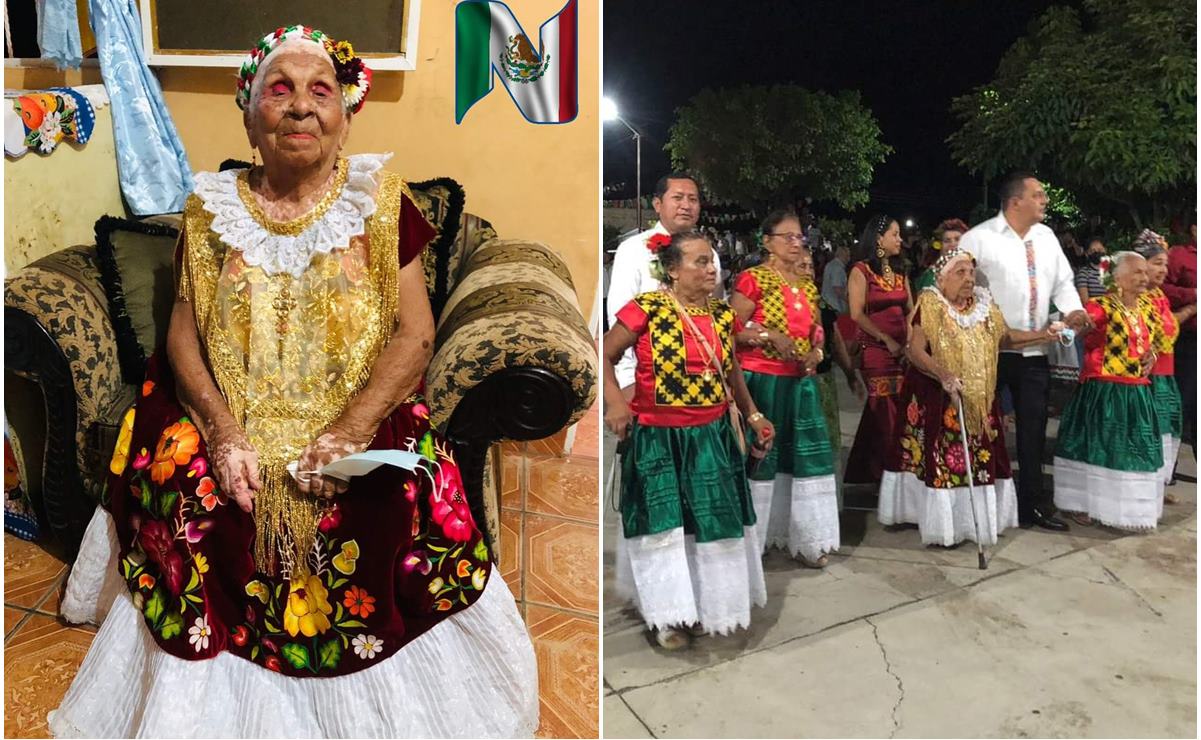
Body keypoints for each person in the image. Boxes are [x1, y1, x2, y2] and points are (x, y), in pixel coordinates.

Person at [49, 26, 537, 737]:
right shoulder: (208, 210)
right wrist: (222, 433)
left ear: (345, 117)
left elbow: (415, 335)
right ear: (250, 117)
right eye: (279, 90)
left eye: (320, 91)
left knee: (394, 498)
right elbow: (183, 334)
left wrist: (350, 431)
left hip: (357, 408)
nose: (301, 106)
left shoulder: (383, 203)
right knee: (191, 492)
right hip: (229, 406)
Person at [604, 231, 774, 651]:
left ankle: (701, 606)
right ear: (673, 270)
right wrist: (617, 404)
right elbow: (602, 353)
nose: (711, 269)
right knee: (664, 527)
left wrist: (753, 415)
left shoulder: (722, 316)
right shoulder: (645, 309)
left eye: (712, 261)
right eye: (700, 262)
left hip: (711, 439)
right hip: (658, 441)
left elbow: (731, 372)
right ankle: (667, 616)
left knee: (707, 526)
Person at [879, 247, 1067, 546]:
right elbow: (914, 350)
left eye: (971, 272)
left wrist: (1045, 335)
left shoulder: (984, 304)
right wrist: (943, 374)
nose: (969, 279)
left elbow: (1005, 338)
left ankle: (971, 521)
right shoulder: (931, 304)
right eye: (960, 273)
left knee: (978, 459)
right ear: (942, 279)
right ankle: (945, 527)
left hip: (979, 395)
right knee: (946, 461)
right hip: (941, 395)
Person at [958, 172, 1090, 531]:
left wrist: (1074, 311)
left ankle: (1031, 505)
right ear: (1016, 201)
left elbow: (1063, 283)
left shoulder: (1046, 238)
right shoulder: (979, 238)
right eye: (1038, 194)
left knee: (1033, 430)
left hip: (1035, 353)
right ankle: (976, 506)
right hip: (989, 352)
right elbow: (956, 288)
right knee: (980, 427)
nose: (1045, 200)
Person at [732, 210, 839, 567]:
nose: (796, 243)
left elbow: (817, 331)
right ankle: (753, 543)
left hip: (799, 385)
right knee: (762, 459)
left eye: (800, 237)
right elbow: (729, 329)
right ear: (767, 242)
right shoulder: (753, 280)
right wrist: (768, 336)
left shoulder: (807, 285)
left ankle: (804, 540)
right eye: (787, 237)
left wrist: (816, 353)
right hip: (762, 383)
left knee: (803, 460)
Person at [1053, 252, 1164, 530]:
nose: (1144, 277)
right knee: (1097, 447)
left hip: (1136, 392)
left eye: (1145, 272)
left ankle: (1126, 509)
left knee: (1132, 450)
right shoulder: (1102, 306)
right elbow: (1082, 325)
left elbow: (1154, 340)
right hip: (1103, 391)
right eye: (1137, 272)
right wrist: (1073, 326)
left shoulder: (1148, 307)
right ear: (1118, 279)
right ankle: (1084, 504)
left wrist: (1151, 354)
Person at [607, 173, 723, 399]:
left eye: (693, 199)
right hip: (648, 376)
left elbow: (717, 314)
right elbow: (618, 316)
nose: (686, 205)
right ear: (657, 204)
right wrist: (627, 380)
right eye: (678, 198)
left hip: (703, 373)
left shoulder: (710, 254)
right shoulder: (634, 250)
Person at [845, 215, 912, 485]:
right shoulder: (861, 270)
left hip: (903, 352)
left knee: (899, 409)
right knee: (884, 409)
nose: (900, 239)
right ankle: (891, 475)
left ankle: (870, 470)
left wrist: (909, 342)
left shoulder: (901, 271)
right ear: (878, 239)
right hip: (875, 350)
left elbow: (910, 310)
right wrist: (886, 339)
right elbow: (857, 314)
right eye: (894, 234)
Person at [798, 246, 864, 507]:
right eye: (800, 266)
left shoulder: (821, 305)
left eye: (810, 267)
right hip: (792, 384)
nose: (807, 272)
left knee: (827, 441)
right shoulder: (777, 304)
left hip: (822, 383)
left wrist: (850, 375)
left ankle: (828, 503)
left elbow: (835, 341)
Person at [1136, 231, 1196, 496]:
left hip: (1164, 373)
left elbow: (1167, 328)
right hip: (1145, 377)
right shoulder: (1136, 296)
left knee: (1163, 429)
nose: (1163, 270)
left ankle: (1155, 488)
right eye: (1157, 264)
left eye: (1165, 264)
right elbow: (1158, 332)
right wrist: (1192, 307)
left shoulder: (1158, 296)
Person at [1163, 221, 1196, 457]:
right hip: (1188, 339)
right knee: (1182, 402)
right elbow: (1161, 288)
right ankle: (1168, 463)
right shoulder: (1179, 255)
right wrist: (1192, 295)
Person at [915, 219, 968, 292]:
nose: (952, 244)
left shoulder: (976, 270)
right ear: (940, 246)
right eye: (947, 241)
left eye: (957, 239)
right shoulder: (931, 276)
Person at [1075, 238, 1108, 305]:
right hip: (1095, 310)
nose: (1097, 252)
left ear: (1105, 251)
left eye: (1100, 250)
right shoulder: (1083, 273)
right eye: (1092, 251)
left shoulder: (1112, 271)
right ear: (1087, 254)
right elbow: (1085, 302)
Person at [821, 243, 851, 314]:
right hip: (835, 306)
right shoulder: (838, 268)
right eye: (848, 256)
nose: (849, 259)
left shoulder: (830, 264)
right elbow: (838, 289)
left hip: (826, 303)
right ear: (844, 255)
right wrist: (850, 301)